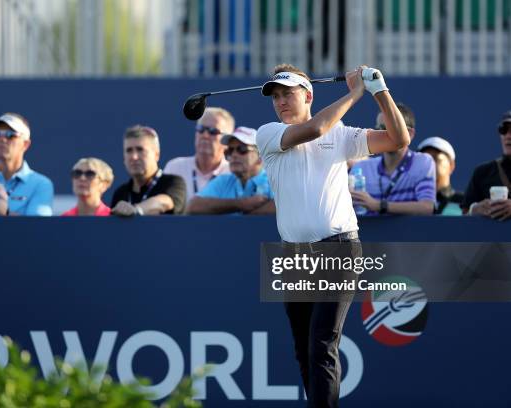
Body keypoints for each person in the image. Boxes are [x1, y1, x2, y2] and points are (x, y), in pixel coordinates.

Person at [256, 63, 410, 407]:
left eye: (288, 93)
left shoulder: (340, 135)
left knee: (322, 343)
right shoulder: (267, 134)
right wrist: (356, 91)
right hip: (293, 256)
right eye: (275, 96)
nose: (280, 101)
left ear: (308, 94)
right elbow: (315, 128)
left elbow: (398, 139)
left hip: (338, 249)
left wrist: (379, 91)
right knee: (303, 349)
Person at [350, 104, 436, 216]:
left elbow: (427, 207)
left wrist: (379, 205)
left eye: (389, 128)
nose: (381, 134)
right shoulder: (361, 168)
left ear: (409, 134)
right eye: (379, 129)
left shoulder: (423, 162)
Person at [0, 112, 54, 216]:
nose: (2, 139)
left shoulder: (41, 184)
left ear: (25, 144)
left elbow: (36, 228)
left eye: (10, 135)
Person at [186, 126, 274, 215]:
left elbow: (286, 206)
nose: (234, 155)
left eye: (242, 149)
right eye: (230, 151)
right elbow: (192, 206)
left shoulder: (275, 181)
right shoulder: (223, 181)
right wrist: (241, 204)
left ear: (260, 156)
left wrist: (248, 214)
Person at [111, 125, 186, 216]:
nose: (134, 157)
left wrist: (136, 210)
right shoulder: (120, 193)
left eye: (140, 150)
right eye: (129, 150)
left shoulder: (173, 182)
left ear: (156, 155)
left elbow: (164, 202)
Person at [164, 107, 234, 202]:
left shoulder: (233, 173)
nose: (205, 135)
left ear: (227, 141)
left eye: (213, 131)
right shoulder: (175, 167)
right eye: (200, 129)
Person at [463, 110, 511, 220]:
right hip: (489, 237)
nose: (508, 136)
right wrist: (475, 209)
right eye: (504, 130)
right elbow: (464, 213)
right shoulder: (482, 172)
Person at [417, 136, 464, 215]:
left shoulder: (465, 203)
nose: (429, 164)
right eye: (424, 159)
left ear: (451, 165)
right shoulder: (408, 202)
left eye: (436, 159)